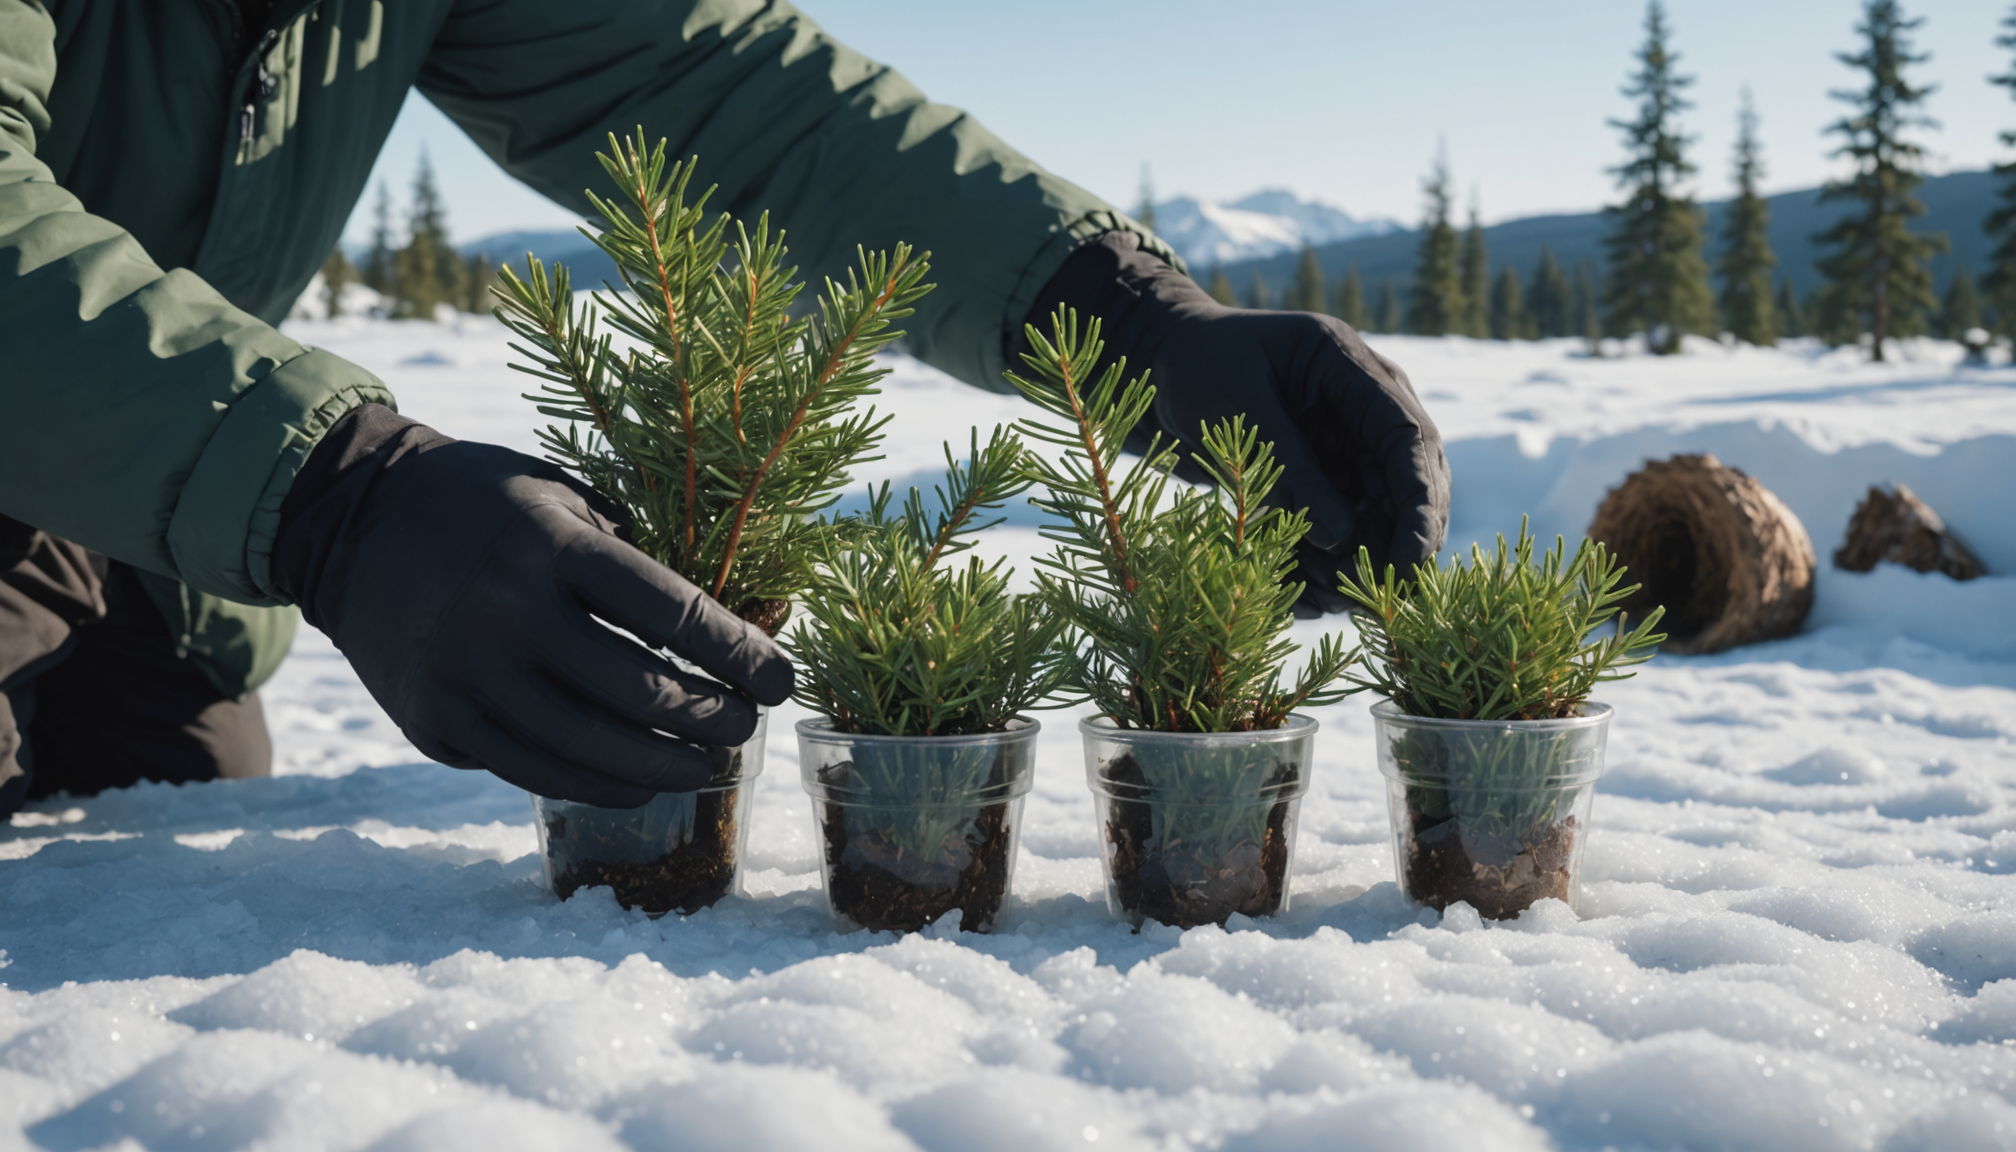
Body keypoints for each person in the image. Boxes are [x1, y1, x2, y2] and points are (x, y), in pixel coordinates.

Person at [0, 0, 1448, 816]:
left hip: (157, 546)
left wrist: (1122, 311)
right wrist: (333, 494)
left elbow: (729, 96)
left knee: (180, 875)